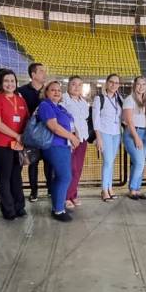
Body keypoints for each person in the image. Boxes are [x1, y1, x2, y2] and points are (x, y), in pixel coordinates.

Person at [0, 68, 29, 220]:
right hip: (1, 145)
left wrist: (23, 138)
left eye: (12, 81)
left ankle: (19, 206)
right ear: (0, 82)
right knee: (4, 177)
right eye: (6, 81)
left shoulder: (20, 99)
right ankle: (8, 209)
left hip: (18, 144)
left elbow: (26, 121)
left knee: (16, 176)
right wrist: (17, 136)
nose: (9, 84)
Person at [37, 80, 81, 222]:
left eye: (58, 90)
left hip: (64, 145)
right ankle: (59, 210)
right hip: (54, 146)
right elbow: (54, 126)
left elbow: (71, 125)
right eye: (53, 90)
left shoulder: (60, 107)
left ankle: (57, 206)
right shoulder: (45, 105)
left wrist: (75, 136)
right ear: (46, 92)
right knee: (65, 177)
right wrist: (71, 137)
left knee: (60, 177)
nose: (56, 92)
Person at [18, 62, 49, 202]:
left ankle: (51, 189)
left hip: (48, 131)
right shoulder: (22, 91)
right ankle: (34, 191)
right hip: (31, 133)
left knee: (49, 163)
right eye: (41, 71)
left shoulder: (49, 90)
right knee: (33, 163)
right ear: (33, 75)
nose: (44, 73)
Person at [92, 72, 123, 201]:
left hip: (116, 133)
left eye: (116, 83)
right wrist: (98, 137)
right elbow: (95, 119)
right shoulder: (99, 98)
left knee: (111, 162)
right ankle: (104, 189)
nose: (113, 85)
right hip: (104, 132)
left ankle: (110, 187)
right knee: (108, 161)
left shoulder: (119, 98)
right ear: (106, 83)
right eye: (111, 82)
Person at [61, 76, 90, 209]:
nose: (76, 87)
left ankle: (73, 195)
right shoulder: (63, 100)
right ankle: (66, 196)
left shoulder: (83, 102)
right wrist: (72, 135)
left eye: (79, 85)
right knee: (70, 169)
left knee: (78, 169)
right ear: (68, 86)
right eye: (73, 84)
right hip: (69, 139)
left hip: (83, 139)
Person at [122, 75, 146, 200]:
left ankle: (136, 189)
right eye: (139, 84)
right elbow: (128, 120)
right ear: (134, 85)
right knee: (139, 162)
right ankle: (133, 188)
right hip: (133, 133)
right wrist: (136, 137)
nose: (141, 87)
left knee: (140, 163)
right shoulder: (129, 99)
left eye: (143, 84)